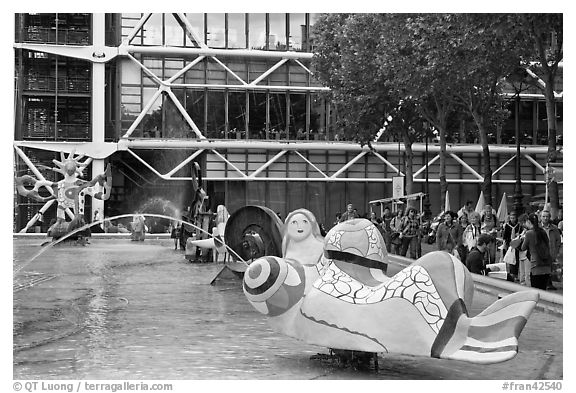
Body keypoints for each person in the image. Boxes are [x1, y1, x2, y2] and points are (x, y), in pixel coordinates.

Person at [520, 213, 552, 291]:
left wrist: (522, 239)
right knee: (543, 289)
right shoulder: (542, 231)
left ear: (528, 222)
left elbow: (523, 248)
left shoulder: (529, 233)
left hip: (536, 265)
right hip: (546, 264)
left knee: (536, 290)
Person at [541, 210, 562, 289]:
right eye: (543, 216)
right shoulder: (538, 228)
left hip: (551, 250)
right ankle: (544, 283)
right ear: (541, 217)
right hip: (541, 251)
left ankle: (548, 283)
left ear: (549, 217)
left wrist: (556, 249)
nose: (545, 218)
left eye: (547, 216)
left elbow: (558, 240)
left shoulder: (554, 228)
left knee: (550, 267)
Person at [502, 211, 522, 281]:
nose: (512, 219)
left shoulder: (519, 225)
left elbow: (521, 233)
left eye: (514, 218)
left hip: (516, 243)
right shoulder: (507, 226)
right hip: (509, 244)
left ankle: (516, 274)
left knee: (516, 258)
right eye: (511, 218)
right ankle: (511, 274)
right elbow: (505, 235)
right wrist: (505, 243)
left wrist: (518, 235)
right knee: (511, 258)